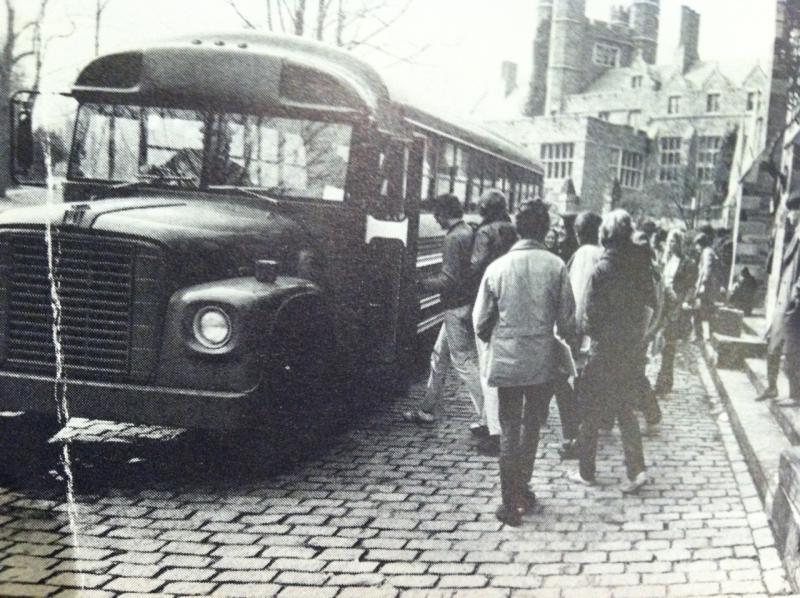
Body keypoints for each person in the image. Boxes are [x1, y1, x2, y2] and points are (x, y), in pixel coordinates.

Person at [473, 200, 576, 526]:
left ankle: (509, 501)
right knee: (532, 427)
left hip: (506, 361)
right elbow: (568, 320)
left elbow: (479, 320)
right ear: (545, 229)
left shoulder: (497, 268)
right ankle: (523, 488)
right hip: (541, 361)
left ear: (518, 227)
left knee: (508, 429)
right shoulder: (557, 265)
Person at [569, 209, 656, 494]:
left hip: (603, 349)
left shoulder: (602, 269)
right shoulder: (639, 267)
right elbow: (649, 306)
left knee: (590, 410)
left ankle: (586, 471)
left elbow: (589, 316)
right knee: (624, 409)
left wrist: (592, 337)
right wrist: (638, 336)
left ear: (605, 235)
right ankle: (637, 469)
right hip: (629, 349)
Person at [404, 194, 485, 427]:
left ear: (443, 213)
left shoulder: (453, 238)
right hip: (465, 304)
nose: (435, 220)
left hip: (455, 307)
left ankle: (490, 417)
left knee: (463, 363)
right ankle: (427, 410)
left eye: (436, 214)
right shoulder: (468, 231)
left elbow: (448, 279)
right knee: (439, 356)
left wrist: (420, 283)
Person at [470, 189, 518, 456]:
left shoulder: (486, 232)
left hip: (488, 300)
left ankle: (494, 432)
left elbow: (475, 266)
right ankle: (497, 425)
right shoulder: (512, 229)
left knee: (487, 368)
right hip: (509, 300)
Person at [563, 211, 604, 455]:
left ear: (579, 234)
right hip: (598, 330)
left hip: (584, 331)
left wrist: (573, 331)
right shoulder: (601, 253)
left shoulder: (585, 254)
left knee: (572, 382)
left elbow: (579, 295)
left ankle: (576, 437)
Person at [655, 229, 696, 394]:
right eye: (669, 241)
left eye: (674, 241)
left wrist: (685, 301)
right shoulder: (666, 261)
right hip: (664, 306)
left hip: (676, 307)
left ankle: (664, 382)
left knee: (669, 345)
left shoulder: (687, 263)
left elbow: (690, 287)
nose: (670, 244)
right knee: (661, 343)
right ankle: (663, 379)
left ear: (680, 244)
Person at [693, 232, 722, 343]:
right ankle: (702, 335)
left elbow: (707, 270)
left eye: (697, 245)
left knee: (701, 311)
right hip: (709, 287)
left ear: (701, 244)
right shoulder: (709, 251)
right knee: (702, 311)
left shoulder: (707, 252)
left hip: (707, 288)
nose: (696, 248)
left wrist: (702, 286)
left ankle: (702, 336)